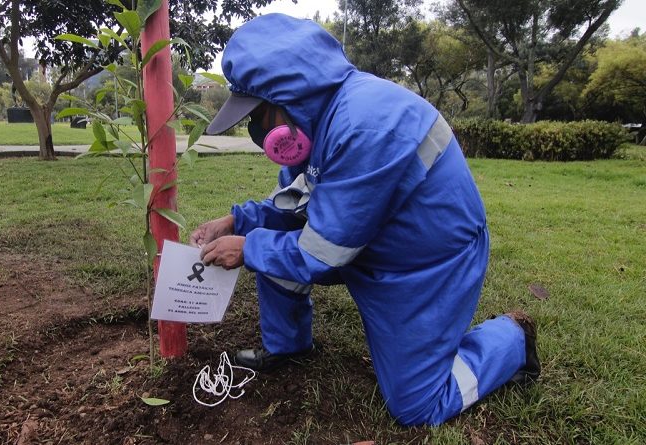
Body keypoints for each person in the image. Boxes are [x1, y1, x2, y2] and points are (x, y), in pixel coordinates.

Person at [190, 13, 540, 426]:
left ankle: (512, 339)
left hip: (424, 265)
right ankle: (288, 345)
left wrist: (248, 247)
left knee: (418, 405)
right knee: (268, 245)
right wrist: (236, 221)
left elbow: (320, 254)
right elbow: (292, 207)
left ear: (288, 98)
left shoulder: (366, 125)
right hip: (371, 244)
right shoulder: (321, 121)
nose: (254, 130)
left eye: (256, 116)